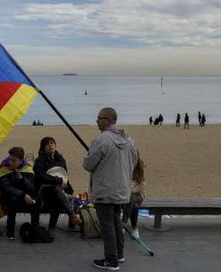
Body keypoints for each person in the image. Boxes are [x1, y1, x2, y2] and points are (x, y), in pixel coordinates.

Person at [83, 107, 138, 271]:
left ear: (110, 120)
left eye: (99, 118)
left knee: (107, 224)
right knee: (116, 222)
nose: (97, 121)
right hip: (122, 189)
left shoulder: (101, 140)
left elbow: (88, 164)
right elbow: (134, 161)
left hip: (105, 190)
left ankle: (111, 260)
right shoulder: (128, 140)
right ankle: (119, 254)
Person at [33, 137, 82, 239]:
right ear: (43, 147)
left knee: (57, 193)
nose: (50, 145)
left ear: (55, 146)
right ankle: (71, 216)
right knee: (56, 189)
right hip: (43, 193)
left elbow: (65, 176)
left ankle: (52, 228)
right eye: (47, 144)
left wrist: (69, 188)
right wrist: (58, 180)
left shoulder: (60, 159)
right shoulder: (39, 161)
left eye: (52, 143)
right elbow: (41, 176)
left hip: (57, 193)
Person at [0, 147, 38, 240]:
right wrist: (23, 195)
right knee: (12, 200)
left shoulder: (27, 169)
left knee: (36, 201)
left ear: (21, 160)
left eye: (13, 160)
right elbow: (6, 188)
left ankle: (35, 229)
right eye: (9, 159)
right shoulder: (4, 169)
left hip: (26, 196)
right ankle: (10, 230)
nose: (10, 162)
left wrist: (21, 179)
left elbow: (32, 187)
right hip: (9, 196)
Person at [122, 151, 146, 238]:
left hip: (137, 195)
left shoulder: (139, 166)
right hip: (127, 196)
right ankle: (134, 229)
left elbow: (141, 186)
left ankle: (123, 224)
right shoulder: (125, 165)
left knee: (131, 199)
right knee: (134, 205)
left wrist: (130, 191)